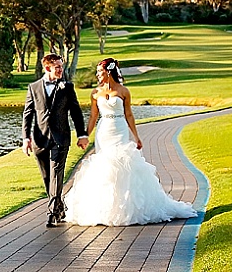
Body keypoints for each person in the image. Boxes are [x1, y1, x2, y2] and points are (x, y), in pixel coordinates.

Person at [62, 57, 198, 227]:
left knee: (123, 162)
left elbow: (129, 115)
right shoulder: (95, 93)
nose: (97, 75)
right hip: (104, 131)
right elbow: (93, 117)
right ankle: (105, 207)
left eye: (100, 72)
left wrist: (136, 136)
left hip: (119, 129)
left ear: (109, 72)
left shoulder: (123, 91)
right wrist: (85, 135)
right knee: (105, 164)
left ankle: (126, 206)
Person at [23, 53, 88, 228]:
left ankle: (51, 213)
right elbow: (28, 114)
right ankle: (58, 207)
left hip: (61, 139)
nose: (61, 70)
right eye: (57, 67)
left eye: (61, 66)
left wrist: (82, 134)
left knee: (56, 176)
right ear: (47, 68)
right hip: (39, 139)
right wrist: (26, 138)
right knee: (47, 178)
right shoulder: (34, 87)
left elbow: (75, 112)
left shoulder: (67, 87)